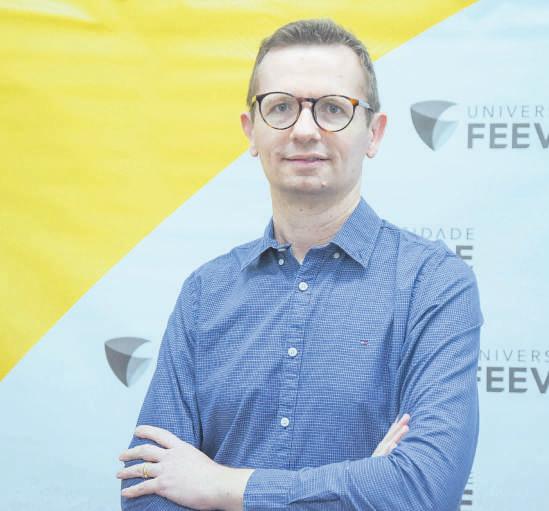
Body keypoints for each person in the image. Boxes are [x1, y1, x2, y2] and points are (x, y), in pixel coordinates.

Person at [116, 18, 483, 511]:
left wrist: (221, 486)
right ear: (251, 131)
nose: (305, 130)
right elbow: (147, 490)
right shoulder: (206, 293)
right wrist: (358, 487)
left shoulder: (433, 284)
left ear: (374, 134)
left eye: (333, 108)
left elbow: (421, 488)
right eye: (281, 107)